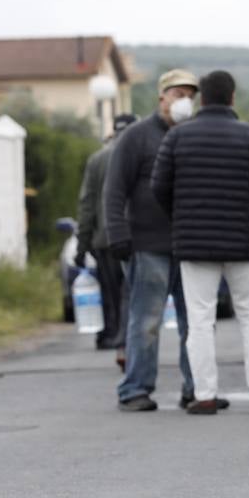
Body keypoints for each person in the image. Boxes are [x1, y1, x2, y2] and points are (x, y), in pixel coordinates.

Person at [151, 70, 249, 414]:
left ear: (201, 100)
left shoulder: (178, 137)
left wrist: (181, 218)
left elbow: (158, 187)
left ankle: (205, 395)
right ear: (233, 98)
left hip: (195, 245)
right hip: (243, 242)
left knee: (200, 320)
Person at [104, 69, 205, 412]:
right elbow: (114, 189)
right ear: (161, 97)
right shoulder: (136, 137)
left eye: (190, 95)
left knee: (195, 323)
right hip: (147, 246)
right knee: (146, 320)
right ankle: (135, 389)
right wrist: (117, 232)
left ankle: (197, 389)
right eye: (178, 94)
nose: (184, 101)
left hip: (190, 245)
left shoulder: (194, 135)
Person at [76, 112, 138, 365]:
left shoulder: (97, 159)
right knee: (133, 296)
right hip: (137, 239)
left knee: (114, 296)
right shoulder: (139, 155)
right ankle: (128, 344)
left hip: (104, 240)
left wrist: (82, 243)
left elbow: (87, 204)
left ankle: (119, 342)